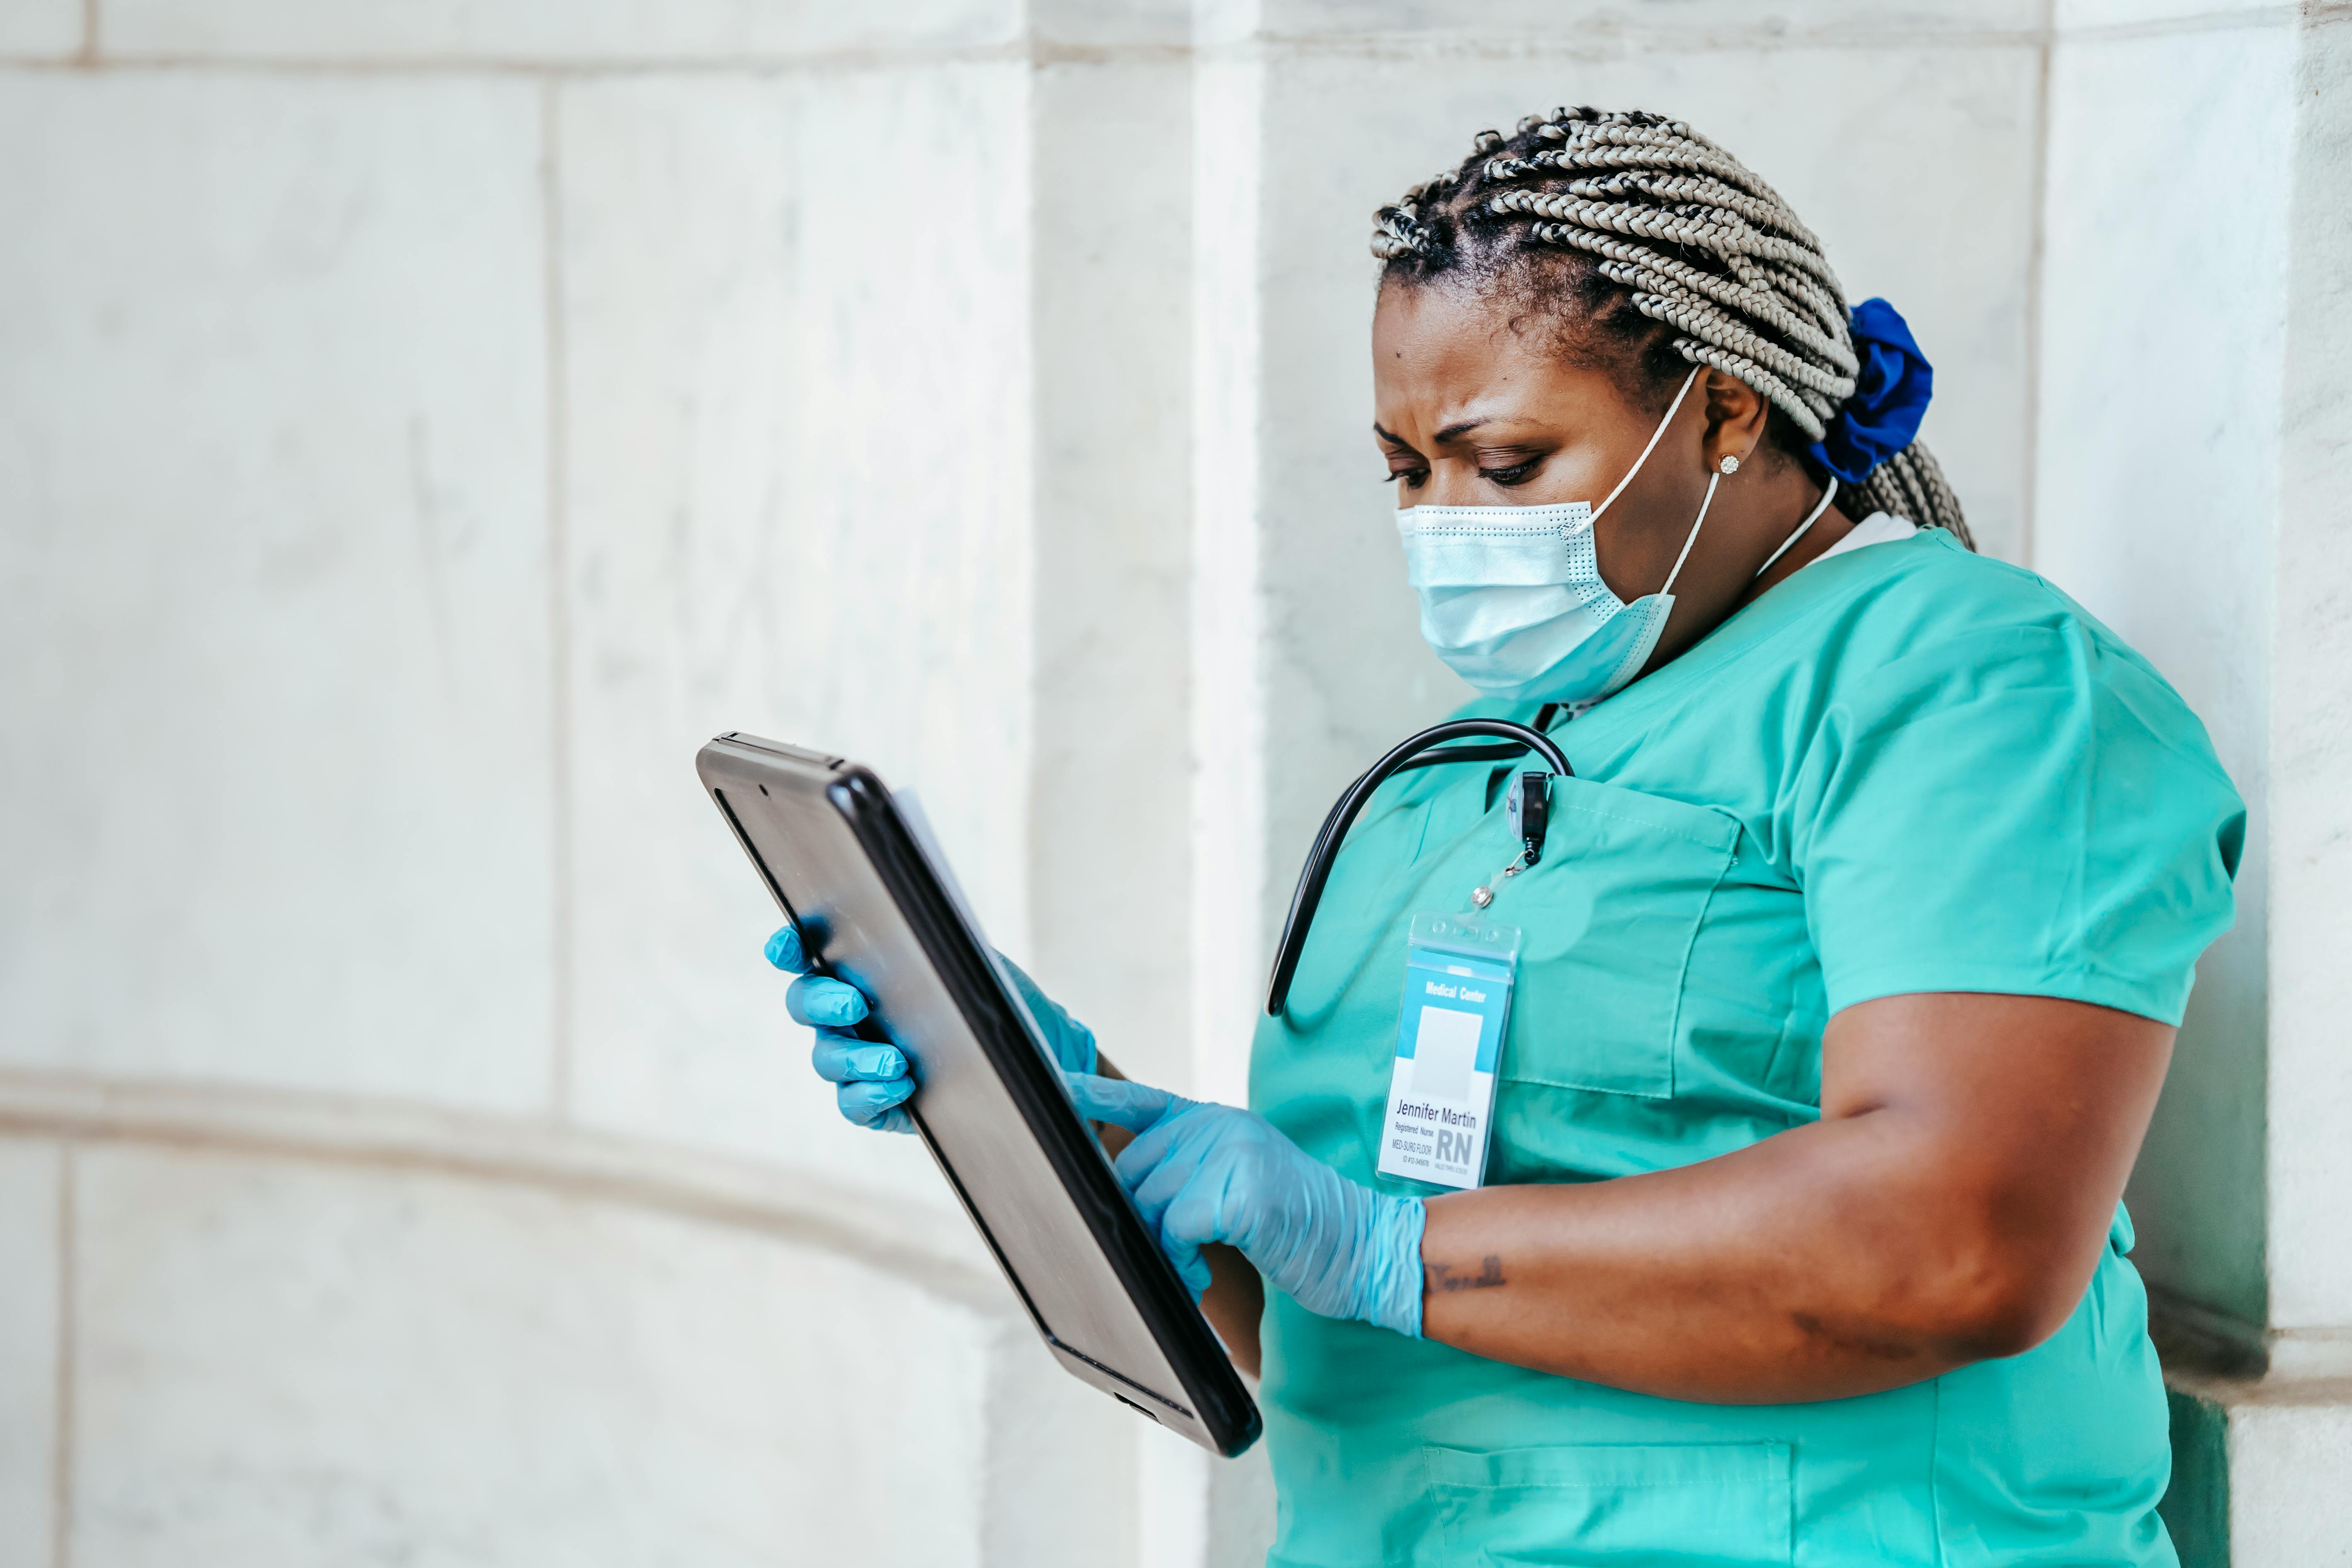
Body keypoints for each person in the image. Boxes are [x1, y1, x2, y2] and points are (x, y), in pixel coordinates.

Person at [767, 108, 2242, 1565]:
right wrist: (1083, 1133)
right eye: (1409, 471)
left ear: (1728, 413)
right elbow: (1350, 1333)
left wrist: (1376, 1243)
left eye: (1509, 461)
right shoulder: (1492, 756)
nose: (1445, 522)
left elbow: (1955, 1240)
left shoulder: (1971, 678)